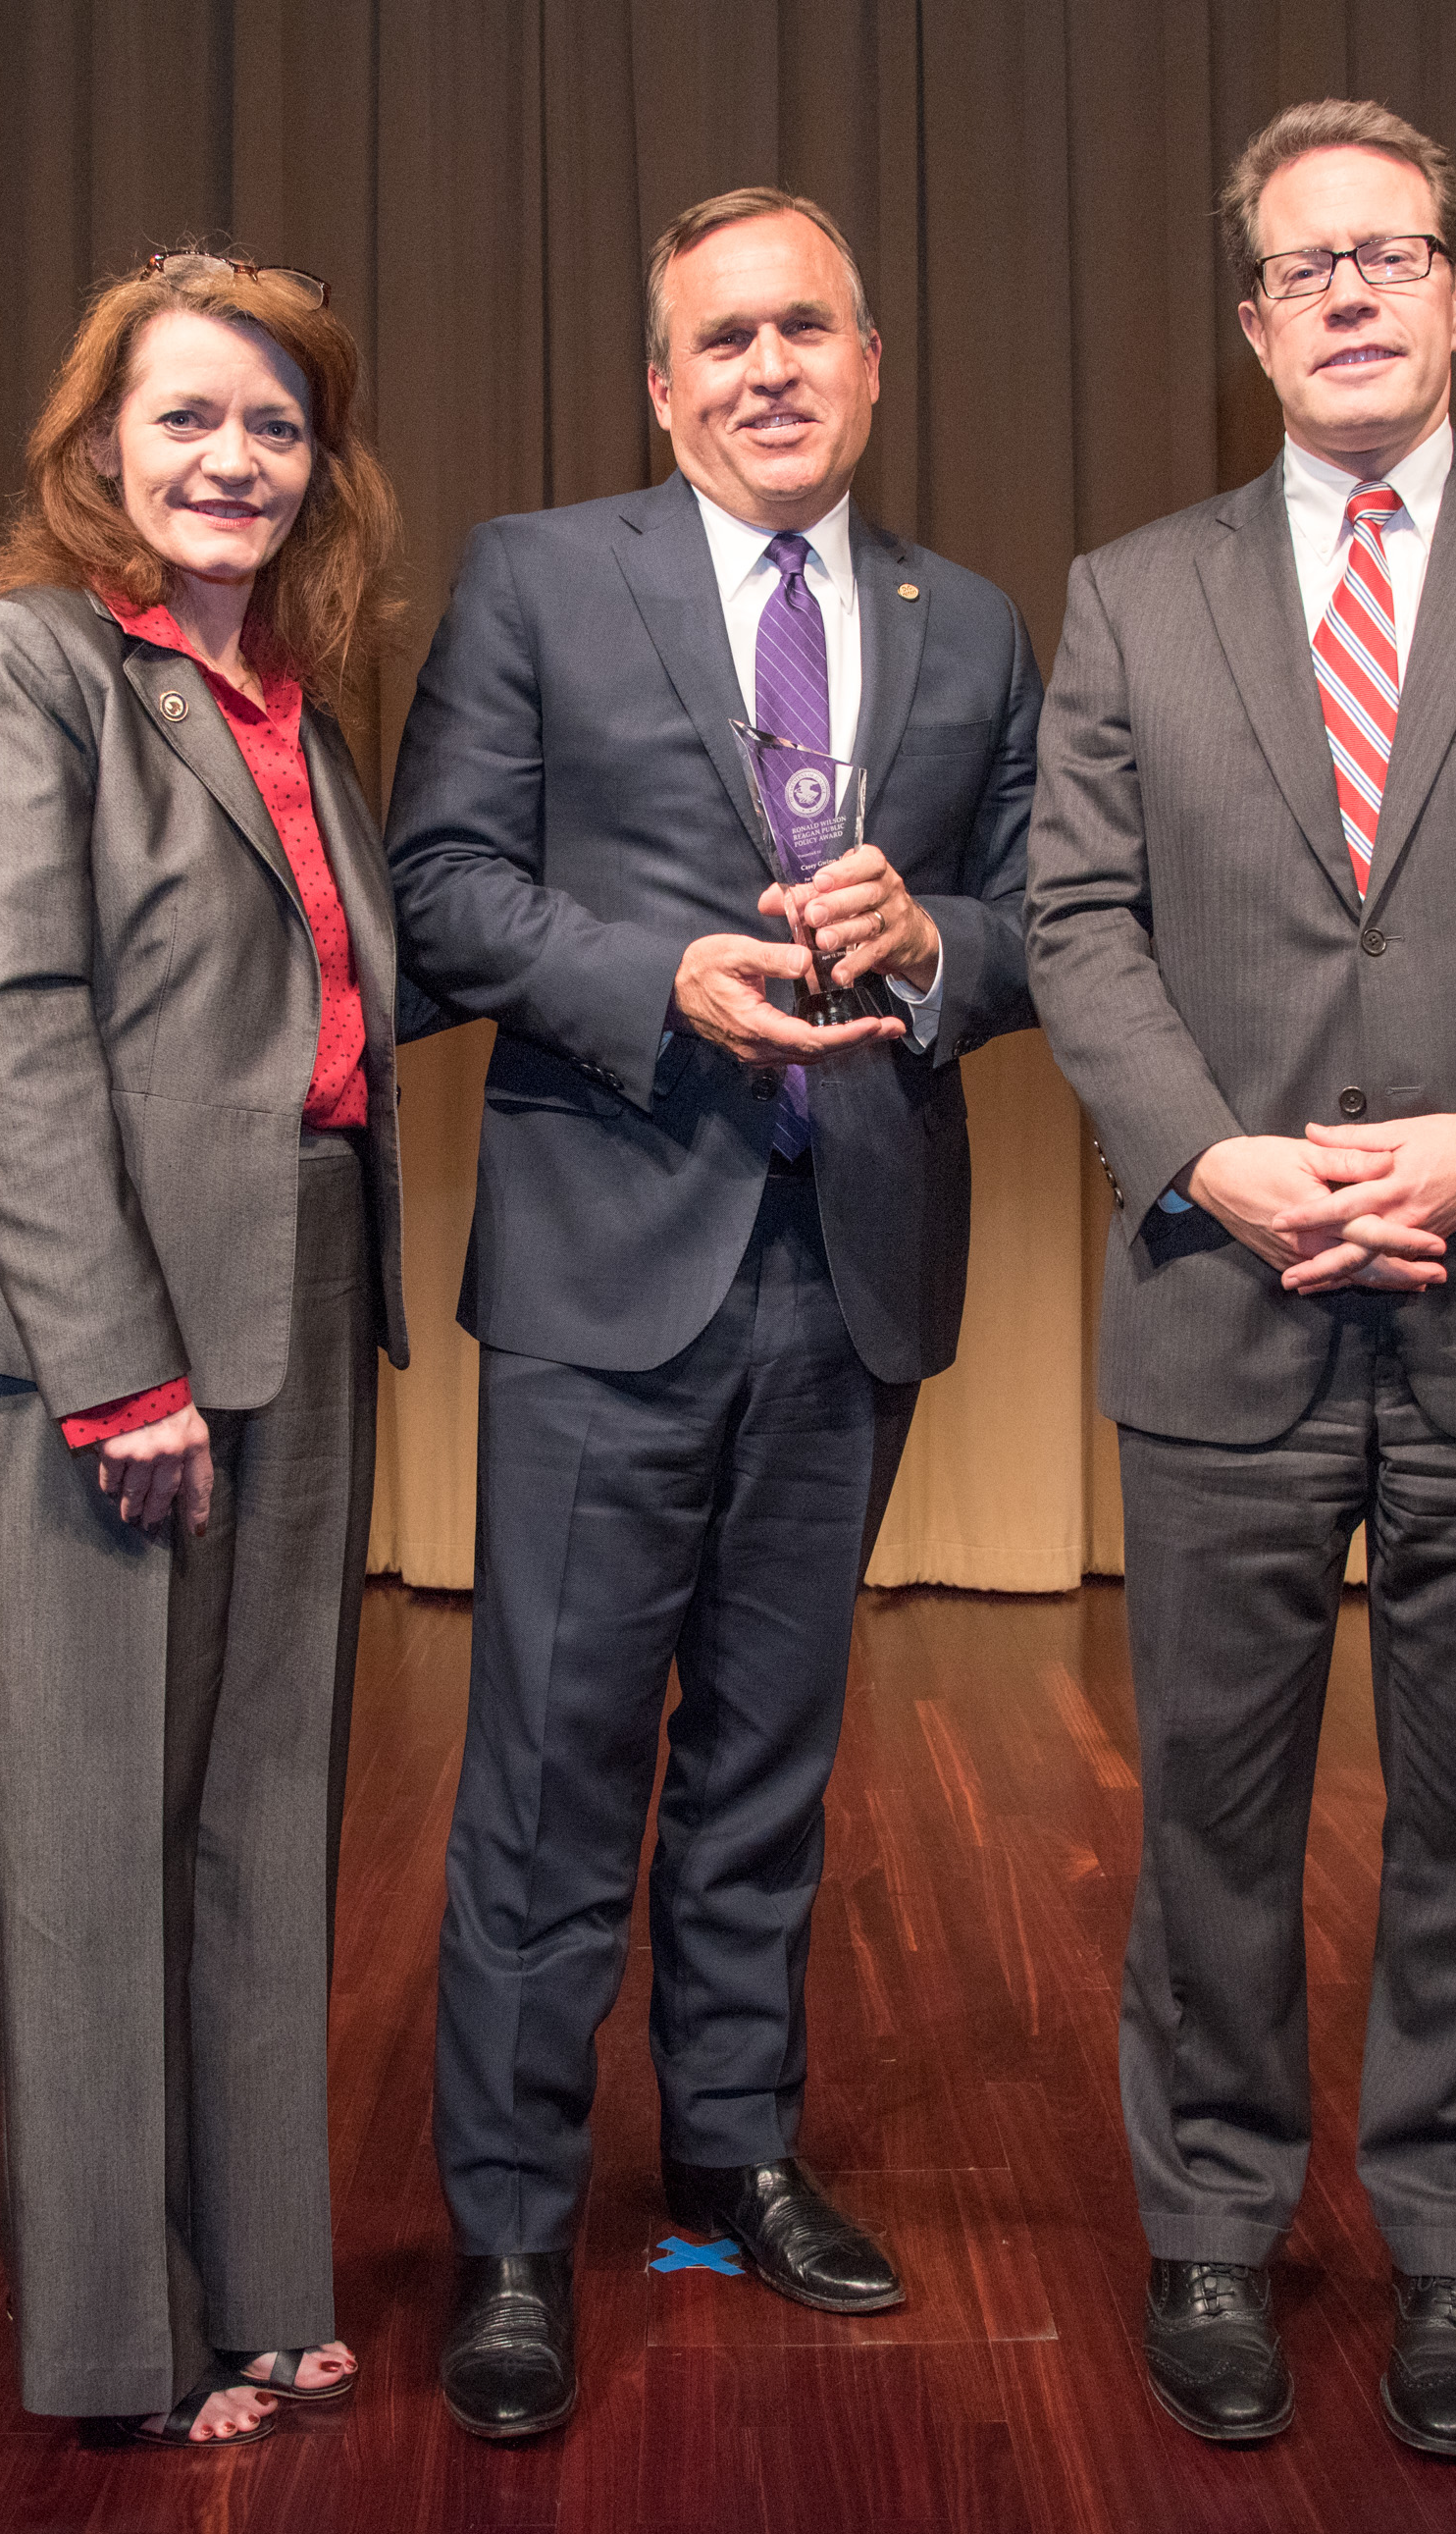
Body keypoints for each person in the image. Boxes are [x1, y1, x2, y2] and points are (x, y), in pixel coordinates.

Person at [1026, 100, 1456, 2458]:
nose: (1344, 292)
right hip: (1221, 1298)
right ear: (1248, 321)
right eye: (1299, 264)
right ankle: (1209, 2230)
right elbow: (1075, 921)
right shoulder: (1128, 593)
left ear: (1455, 298)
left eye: (1387, 254)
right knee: (1207, 1821)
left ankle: (1452, 2253)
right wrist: (1216, 1160)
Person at [387, 186, 1042, 2440]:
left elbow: (1051, 904)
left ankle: (736, 2157)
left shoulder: (961, 625)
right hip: (604, 1268)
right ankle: (504, 2227)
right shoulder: (539, 578)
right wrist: (646, 979)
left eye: (806, 330)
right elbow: (442, 887)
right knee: (550, 1784)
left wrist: (935, 934)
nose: (767, 368)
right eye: (720, 340)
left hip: (843, 1276)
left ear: (870, 365)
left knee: (767, 1774)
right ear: (661, 388)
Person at [0, 247, 414, 2454]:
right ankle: (115, 2344)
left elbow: (325, 1007)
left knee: (260, 1825)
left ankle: (264, 2284)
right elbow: (6, 1031)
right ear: (99, 444)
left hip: (289, 1287)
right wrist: (116, 1368)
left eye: (276, 424)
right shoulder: (27, 666)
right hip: (66, 1330)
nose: (233, 460)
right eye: (186, 417)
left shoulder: (287, 693)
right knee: (93, 1850)